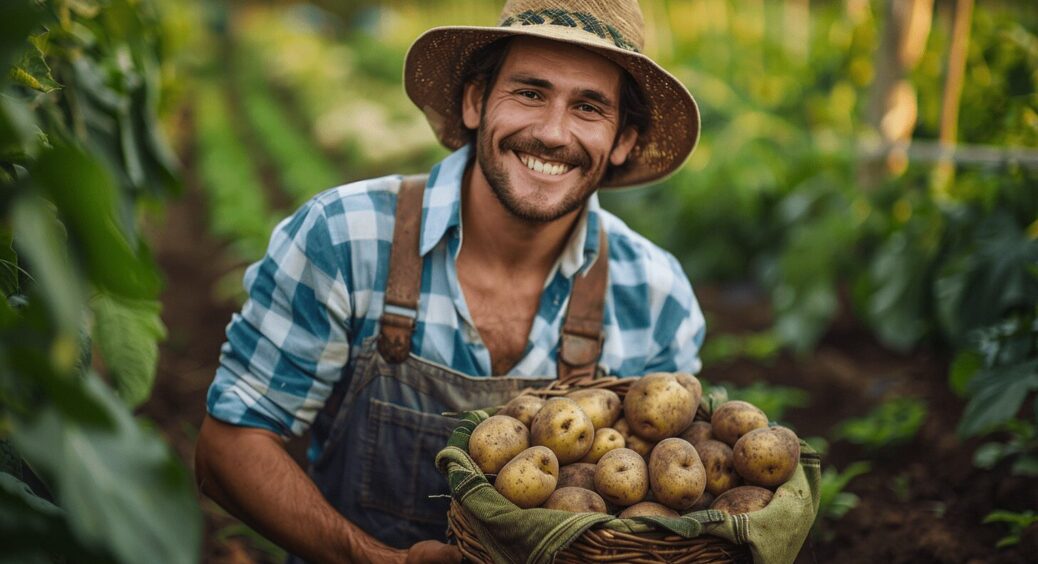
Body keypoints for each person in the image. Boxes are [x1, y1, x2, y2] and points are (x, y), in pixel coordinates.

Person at [194, 0, 705, 562]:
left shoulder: (656, 295)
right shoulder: (346, 238)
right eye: (530, 93)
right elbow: (227, 449)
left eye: (588, 107)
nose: (552, 133)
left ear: (623, 142)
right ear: (474, 101)